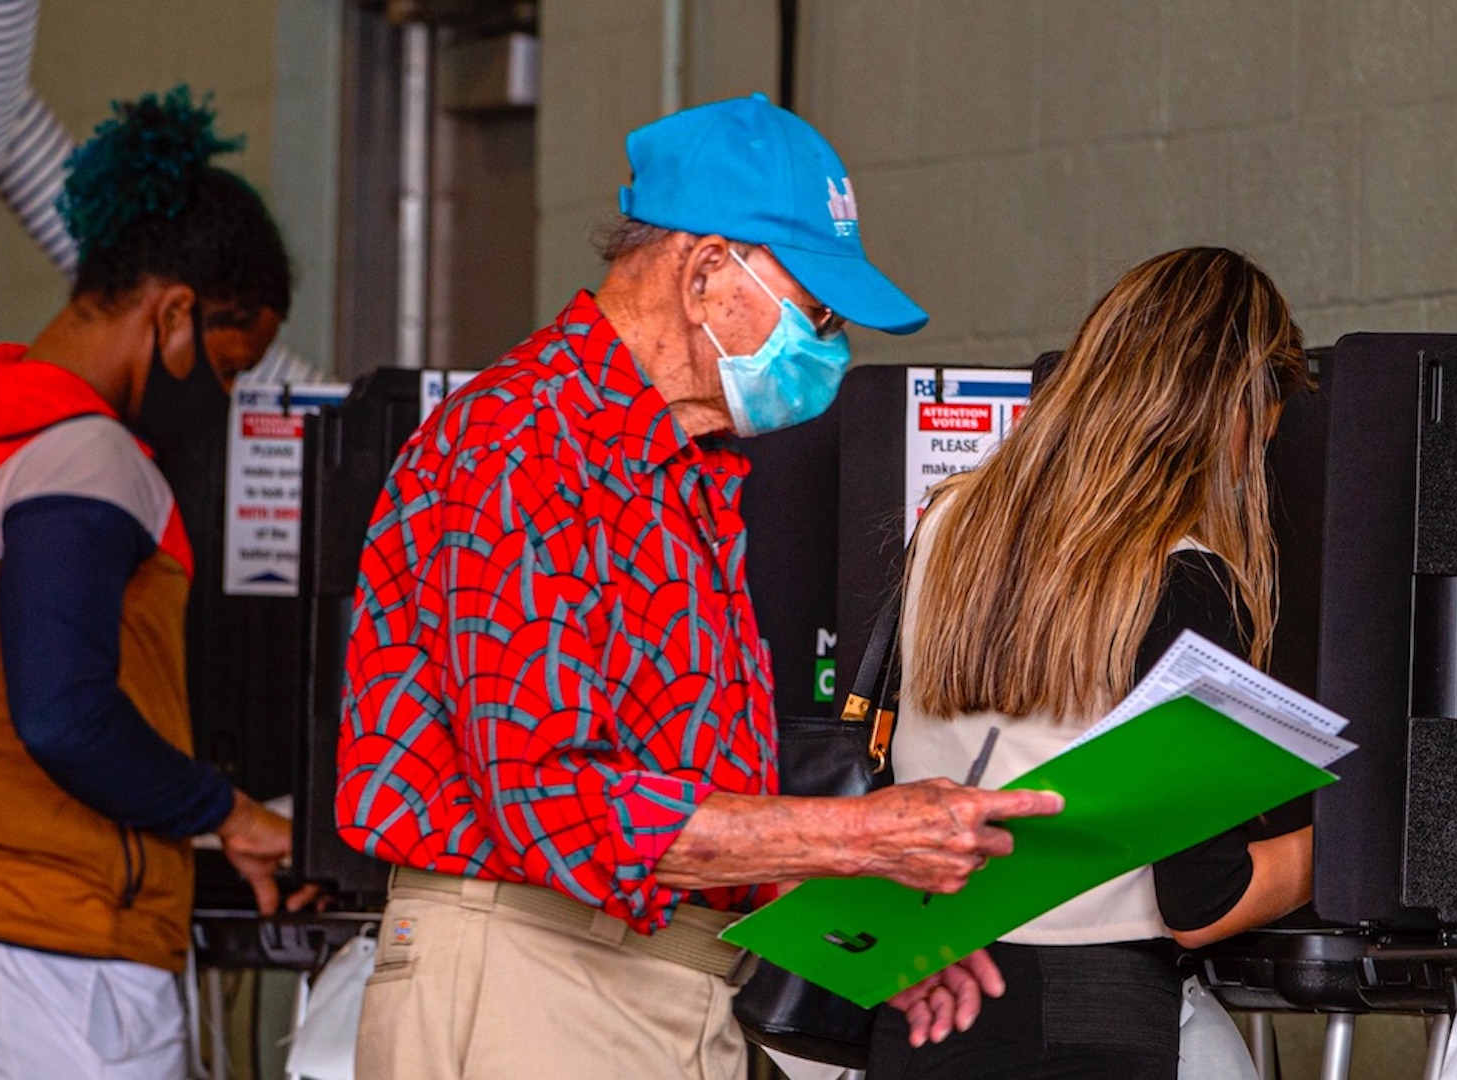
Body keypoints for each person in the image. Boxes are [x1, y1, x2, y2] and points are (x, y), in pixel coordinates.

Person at [335, 92, 1064, 1080]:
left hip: (667, 991)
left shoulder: (685, 469)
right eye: (817, 314)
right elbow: (552, 797)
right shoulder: (522, 443)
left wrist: (853, 934)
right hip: (532, 982)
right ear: (708, 268)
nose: (832, 350)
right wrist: (860, 836)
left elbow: (685, 790)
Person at [0, 86, 306, 1078]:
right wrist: (232, 812)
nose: (227, 398)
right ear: (173, 316)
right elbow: (64, 716)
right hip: (63, 956)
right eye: (230, 365)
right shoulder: (90, 457)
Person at [867, 246, 1315, 1079]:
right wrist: (1353, 850)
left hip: (922, 980)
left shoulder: (948, 521)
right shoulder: (1183, 576)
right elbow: (1202, 902)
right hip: (1082, 1014)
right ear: (1237, 406)